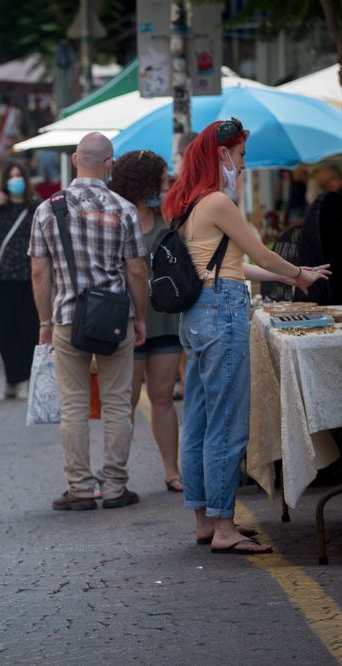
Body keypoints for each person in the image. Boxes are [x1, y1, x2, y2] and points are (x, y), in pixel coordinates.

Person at [162, 118, 329, 553]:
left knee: (199, 420)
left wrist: (297, 278)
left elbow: (232, 264)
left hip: (198, 314)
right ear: (223, 155)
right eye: (240, 156)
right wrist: (300, 275)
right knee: (227, 424)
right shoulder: (218, 201)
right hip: (222, 312)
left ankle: (204, 518)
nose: (244, 164)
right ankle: (223, 527)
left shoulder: (187, 202)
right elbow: (261, 253)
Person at [29, 132, 148, 511]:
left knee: (75, 403)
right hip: (116, 318)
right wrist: (140, 316)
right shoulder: (124, 208)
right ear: (109, 164)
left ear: (76, 160)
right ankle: (114, 486)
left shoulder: (49, 208)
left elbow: (38, 272)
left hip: (66, 317)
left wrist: (45, 321)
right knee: (116, 402)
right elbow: (136, 271)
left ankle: (80, 487)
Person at [109, 150, 183, 492]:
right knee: (125, 404)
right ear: (144, 182)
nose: (166, 185)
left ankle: (172, 471)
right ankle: (116, 475)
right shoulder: (113, 217)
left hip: (165, 319)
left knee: (164, 398)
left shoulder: (168, 217)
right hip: (127, 319)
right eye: (162, 179)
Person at [0, 160, 40, 399]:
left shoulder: (37, 206)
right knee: (6, 332)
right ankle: (12, 380)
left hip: (31, 277)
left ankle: (32, 378)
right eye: (10, 176)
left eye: (19, 175)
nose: (15, 180)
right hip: (2, 280)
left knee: (31, 330)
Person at [294, 161, 342, 305]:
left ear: (336, 180)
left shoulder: (328, 203)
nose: (323, 188)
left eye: (325, 184)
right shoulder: (327, 202)